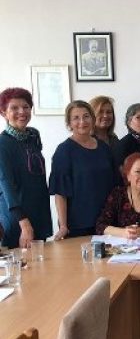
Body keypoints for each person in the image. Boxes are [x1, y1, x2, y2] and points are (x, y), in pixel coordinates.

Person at [49, 101, 117, 239]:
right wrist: (63, 226)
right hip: (79, 224)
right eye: (76, 118)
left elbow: (115, 184)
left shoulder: (104, 148)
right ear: (69, 123)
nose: (82, 122)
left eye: (86, 116)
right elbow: (60, 193)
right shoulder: (64, 151)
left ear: (92, 119)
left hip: (107, 221)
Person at [0, 88, 52, 248]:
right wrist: (24, 224)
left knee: (42, 259)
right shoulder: (2, 143)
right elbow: (6, 185)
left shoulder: (33, 136)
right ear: (3, 113)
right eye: (14, 108)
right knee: (19, 261)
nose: (22, 112)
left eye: (26, 107)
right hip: (17, 217)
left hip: (39, 212)